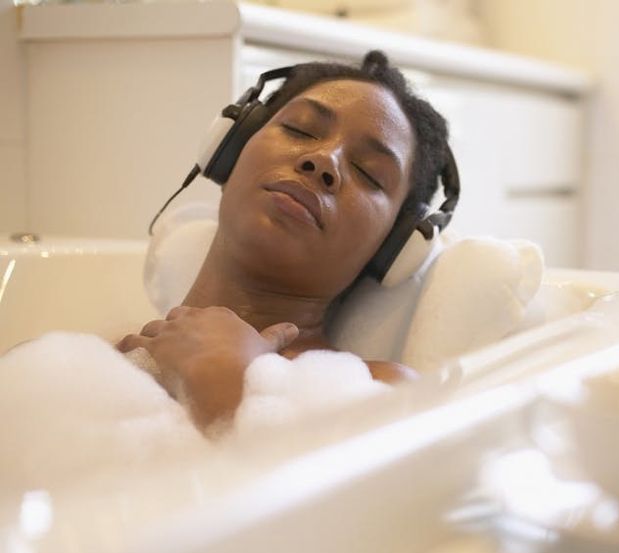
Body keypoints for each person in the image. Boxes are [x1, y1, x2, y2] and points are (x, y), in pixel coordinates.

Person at [117, 50, 452, 432]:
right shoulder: (98, 362)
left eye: (368, 173)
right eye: (300, 130)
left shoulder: (384, 393)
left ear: (392, 247)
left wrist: (230, 383)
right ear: (229, 150)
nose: (324, 160)